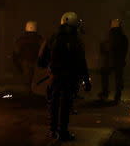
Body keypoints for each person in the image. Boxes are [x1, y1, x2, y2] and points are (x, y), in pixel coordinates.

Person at [38, 12, 91, 141]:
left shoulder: (53, 37)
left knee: (54, 103)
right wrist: (86, 79)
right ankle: (63, 132)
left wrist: (48, 67)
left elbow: (42, 58)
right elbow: (81, 61)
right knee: (66, 104)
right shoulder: (76, 40)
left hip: (55, 76)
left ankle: (52, 130)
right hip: (71, 77)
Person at [98, 19, 129, 103]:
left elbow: (104, 47)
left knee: (105, 74)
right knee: (118, 78)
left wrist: (104, 56)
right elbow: (125, 49)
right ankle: (118, 95)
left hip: (110, 61)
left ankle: (105, 93)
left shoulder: (109, 36)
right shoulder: (123, 37)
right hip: (118, 61)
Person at [13, 21, 45, 95]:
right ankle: (34, 95)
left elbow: (17, 52)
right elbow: (44, 50)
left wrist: (18, 64)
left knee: (28, 80)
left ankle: (29, 95)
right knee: (36, 80)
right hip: (36, 62)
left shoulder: (22, 39)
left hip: (26, 63)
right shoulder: (40, 39)